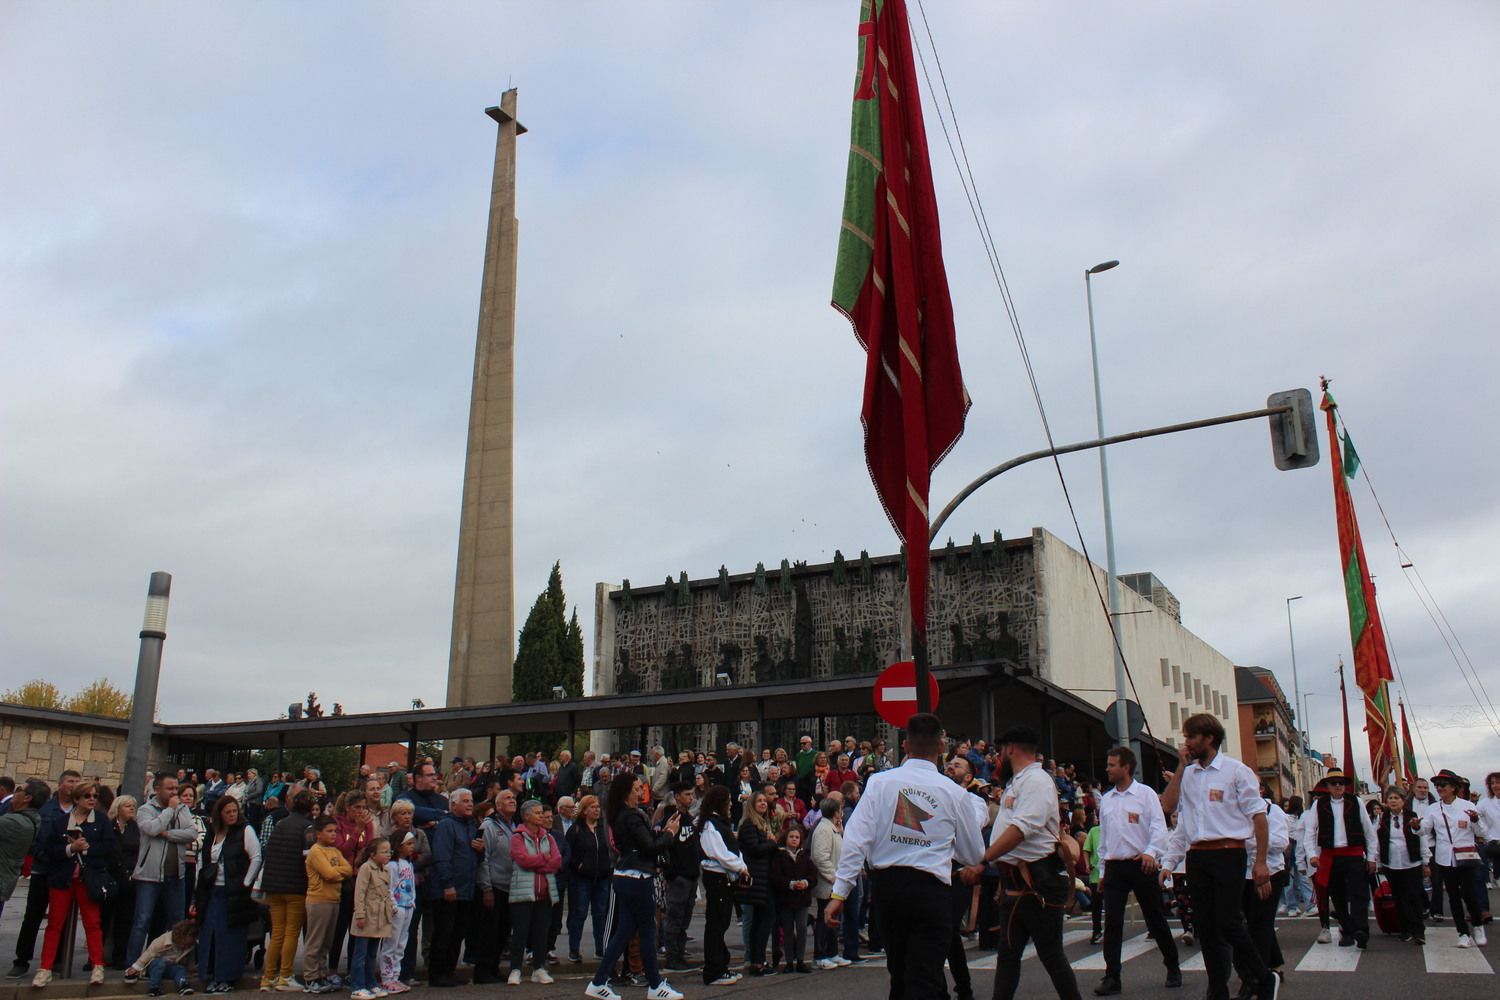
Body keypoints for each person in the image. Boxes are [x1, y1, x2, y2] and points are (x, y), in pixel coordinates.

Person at [830, 713, 983, 1000]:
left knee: (900, 975)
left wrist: (840, 894)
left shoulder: (879, 783)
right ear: (942, 746)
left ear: (905, 746)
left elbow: (855, 837)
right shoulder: (954, 793)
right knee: (924, 979)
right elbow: (973, 853)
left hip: (889, 889)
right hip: (931, 890)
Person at [1158, 714, 1277, 1000]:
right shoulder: (1188, 774)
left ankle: (1263, 977)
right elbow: (1170, 806)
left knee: (1228, 921)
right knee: (1206, 927)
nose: (1186, 743)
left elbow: (1259, 818)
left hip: (1228, 853)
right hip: (1197, 857)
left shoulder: (1236, 771)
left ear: (1208, 738)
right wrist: (1181, 766)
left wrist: (1260, 862)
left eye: (1191, 737)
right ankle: (1218, 988)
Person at [961, 726, 1080, 1000]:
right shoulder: (1019, 781)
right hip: (1016, 883)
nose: (999, 755)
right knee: (1008, 956)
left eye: (1002, 749)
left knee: (1050, 956)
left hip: (1038, 883)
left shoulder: (1036, 780)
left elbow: (1021, 829)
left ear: (1011, 748)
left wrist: (983, 860)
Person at [583, 773, 684, 1000]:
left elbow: (642, 842)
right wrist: (669, 833)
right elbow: (649, 847)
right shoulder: (631, 816)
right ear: (628, 791)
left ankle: (599, 981)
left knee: (626, 931)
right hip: (637, 877)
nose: (642, 791)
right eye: (638, 788)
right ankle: (656, 985)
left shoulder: (622, 815)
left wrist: (661, 831)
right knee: (648, 930)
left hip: (626, 876)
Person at [1093, 747, 1180, 996]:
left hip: (1141, 864)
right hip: (1115, 867)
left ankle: (1172, 966)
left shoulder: (1145, 794)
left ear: (1126, 767)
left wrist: (1152, 853)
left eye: (1112, 765)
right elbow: (1104, 840)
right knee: (1112, 923)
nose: (1107, 769)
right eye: (1108, 765)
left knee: (1155, 918)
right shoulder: (1107, 799)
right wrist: (1102, 871)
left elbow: (1158, 827)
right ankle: (1112, 976)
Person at [33, 780, 115, 988]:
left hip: (89, 879)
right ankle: (45, 968)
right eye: (87, 796)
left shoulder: (102, 821)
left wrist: (85, 849)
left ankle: (98, 965)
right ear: (77, 798)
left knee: (92, 922)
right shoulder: (60, 822)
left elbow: (108, 847)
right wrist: (70, 849)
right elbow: (49, 849)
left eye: (95, 796)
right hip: (63, 878)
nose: (92, 800)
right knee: (54, 924)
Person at [8, 768, 78, 982]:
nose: (73, 785)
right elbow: (35, 837)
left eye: (77, 781)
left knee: (61, 918)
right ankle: (22, 961)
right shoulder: (45, 808)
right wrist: (40, 853)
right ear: (60, 784)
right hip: (43, 868)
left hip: (65, 871)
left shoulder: (80, 810)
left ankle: (57, 959)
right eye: (69, 781)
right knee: (33, 916)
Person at [194, 794, 263, 993]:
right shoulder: (212, 832)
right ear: (220, 814)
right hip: (212, 890)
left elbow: (256, 857)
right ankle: (212, 974)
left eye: (234, 811)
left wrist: (246, 882)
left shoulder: (245, 830)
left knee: (230, 936)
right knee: (211, 934)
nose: (232, 815)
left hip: (233, 891)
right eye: (228, 812)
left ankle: (227, 977)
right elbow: (204, 858)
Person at [1303, 768, 1378, 949]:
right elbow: (1310, 832)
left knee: (1359, 894)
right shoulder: (1319, 805)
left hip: (1353, 854)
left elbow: (1369, 831)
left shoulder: (1356, 802)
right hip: (1331, 856)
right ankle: (1347, 931)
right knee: (1338, 896)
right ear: (1327, 786)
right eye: (1334, 783)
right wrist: (1312, 854)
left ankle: (1361, 930)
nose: (1338, 786)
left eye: (1341, 783)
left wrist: (1372, 857)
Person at [1417, 769, 1486, 947]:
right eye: (1437, 785)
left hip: (1466, 855)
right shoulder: (1433, 809)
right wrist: (1416, 826)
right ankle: (1462, 932)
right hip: (1444, 858)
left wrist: (1476, 821)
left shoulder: (1468, 806)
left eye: (1443, 785)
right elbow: (1424, 829)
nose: (1439, 788)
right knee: (1453, 896)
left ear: (1454, 787)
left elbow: (1481, 833)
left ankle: (1477, 925)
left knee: (1469, 894)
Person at [1237, 784, 1290, 998]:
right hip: (1242, 874)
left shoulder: (1272, 811)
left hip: (1270, 871)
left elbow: (1280, 842)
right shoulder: (1237, 811)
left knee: (1259, 924)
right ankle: (1274, 963)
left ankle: (1254, 977)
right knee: (1252, 921)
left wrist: (1251, 840)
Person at [258, 790, 314, 992]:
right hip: (295, 885)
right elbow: (309, 858)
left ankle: (268, 976)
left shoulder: (280, 824)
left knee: (277, 933)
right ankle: (285, 974)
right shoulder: (307, 827)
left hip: (274, 884)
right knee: (292, 932)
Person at [427, 788, 480, 988]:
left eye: (471, 800)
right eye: (465, 801)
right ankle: (437, 973)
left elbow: (472, 857)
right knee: (444, 934)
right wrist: (448, 884)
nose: (469, 804)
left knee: (458, 934)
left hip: (466, 889)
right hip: (448, 890)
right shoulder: (447, 826)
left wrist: (480, 851)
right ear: (453, 805)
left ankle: (449, 971)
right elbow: (442, 857)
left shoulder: (471, 826)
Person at [697, 784, 748, 987]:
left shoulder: (719, 822)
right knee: (716, 924)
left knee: (722, 923)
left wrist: (741, 865)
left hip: (726, 877)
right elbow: (719, 853)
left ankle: (721, 964)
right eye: (728, 800)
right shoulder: (710, 824)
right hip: (716, 877)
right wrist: (741, 868)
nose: (731, 804)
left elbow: (732, 850)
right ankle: (713, 970)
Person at [507, 800, 561, 985]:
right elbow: (522, 859)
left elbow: (556, 861)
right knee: (520, 932)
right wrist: (543, 860)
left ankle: (539, 968)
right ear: (527, 816)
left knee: (541, 933)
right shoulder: (517, 837)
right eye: (537, 813)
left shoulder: (549, 837)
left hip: (545, 894)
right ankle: (515, 969)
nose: (542, 816)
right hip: (523, 892)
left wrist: (539, 861)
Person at [304, 815, 355, 993]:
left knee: (327, 941)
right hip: (319, 900)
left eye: (335, 831)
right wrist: (337, 873)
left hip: (334, 899)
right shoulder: (316, 851)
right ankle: (311, 977)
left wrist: (337, 872)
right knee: (315, 941)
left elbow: (348, 869)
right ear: (319, 834)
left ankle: (321, 973)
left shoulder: (334, 851)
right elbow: (329, 874)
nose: (333, 834)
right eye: (329, 831)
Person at [473, 787, 517, 983]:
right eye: (507, 798)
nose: (512, 800)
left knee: (502, 932)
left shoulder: (514, 826)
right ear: (498, 806)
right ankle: (482, 971)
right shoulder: (489, 826)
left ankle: (494, 968)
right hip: (494, 885)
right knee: (489, 932)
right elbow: (483, 858)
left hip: (510, 886)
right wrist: (486, 887)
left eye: (513, 798)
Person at [1376, 785, 1427, 945]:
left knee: (1414, 897)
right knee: (1398, 898)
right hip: (1392, 862)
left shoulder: (1412, 816)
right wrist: (1378, 861)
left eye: (1396, 798)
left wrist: (1426, 862)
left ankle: (1418, 930)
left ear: (1403, 801)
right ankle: (1404, 929)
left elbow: (1421, 837)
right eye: (1390, 798)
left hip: (1411, 862)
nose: (1393, 801)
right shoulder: (1383, 818)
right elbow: (1378, 841)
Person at [735, 791, 777, 976]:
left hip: (763, 877)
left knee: (760, 921)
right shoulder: (749, 825)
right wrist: (772, 844)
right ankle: (757, 960)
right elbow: (754, 849)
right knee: (764, 920)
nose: (763, 803)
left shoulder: (762, 823)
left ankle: (755, 959)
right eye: (759, 801)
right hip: (757, 878)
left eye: (764, 801)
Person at [349, 838, 394, 1000]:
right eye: (384, 851)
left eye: (389, 851)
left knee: (372, 954)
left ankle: (371, 983)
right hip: (367, 915)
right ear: (373, 854)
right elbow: (359, 893)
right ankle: (357, 985)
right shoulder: (366, 868)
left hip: (380, 917)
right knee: (360, 953)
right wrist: (360, 914)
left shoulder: (385, 870)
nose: (388, 855)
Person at [0, 779, 47, 924]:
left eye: (19, 789)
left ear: (27, 798)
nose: (14, 793)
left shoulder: (16, 822)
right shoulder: (31, 818)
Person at [771, 824, 816, 974]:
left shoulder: (805, 856)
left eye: (797, 837)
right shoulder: (780, 856)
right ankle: (790, 961)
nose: (794, 839)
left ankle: (801, 960)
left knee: (802, 929)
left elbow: (812, 875)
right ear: (786, 838)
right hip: (786, 899)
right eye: (791, 837)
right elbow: (776, 877)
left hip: (802, 899)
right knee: (788, 931)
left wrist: (806, 883)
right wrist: (790, 884)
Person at [379, 831, 418, 995]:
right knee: (391, 944)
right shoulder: (392, 866)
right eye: (408, 844)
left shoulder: (409, 864)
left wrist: (412, 901)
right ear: (399, 846)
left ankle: (396, 975)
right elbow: (390, 886)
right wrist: (393, 906)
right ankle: (387, 978)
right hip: (397, 908)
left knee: (401, 943)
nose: (412, 847)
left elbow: (412, 886)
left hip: (407, 906)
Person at [106, 794, 142, 969]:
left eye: (133, 806)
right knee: (104, 919)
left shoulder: (135, 828)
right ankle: (96, 957)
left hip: (129, 878)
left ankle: (120, 956)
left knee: (125, 920)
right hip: (111, 876)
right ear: (118, 808)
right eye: (128, 806)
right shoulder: (109, 827)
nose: (131, 809)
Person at [125, 918, 199, 997]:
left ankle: (183, 984)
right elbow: (149, 953)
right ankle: (154, 987)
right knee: (160, 964)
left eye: (188, 944)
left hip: (169, 967)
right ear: (179, 937)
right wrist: (136, 967)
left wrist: (191, 970)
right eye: (184, 943)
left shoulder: (190, 947)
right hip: (154, 966)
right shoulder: (163, 940)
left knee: (180, 968)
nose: (185, 946)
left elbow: (190, 960)